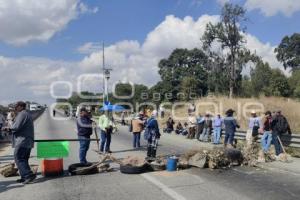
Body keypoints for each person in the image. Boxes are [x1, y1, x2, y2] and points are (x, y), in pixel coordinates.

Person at [8, 101, 36, 184]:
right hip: (27, 140)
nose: (15, 108)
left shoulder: (22, 114)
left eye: (16, 106)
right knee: (23, 159)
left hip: (23, 141)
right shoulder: (26, 114)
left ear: (21, 106)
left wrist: (9, 128)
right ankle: (24, 177)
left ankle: (28, 175)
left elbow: (16, 127)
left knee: (19, 158)